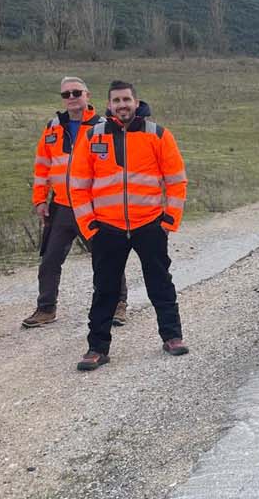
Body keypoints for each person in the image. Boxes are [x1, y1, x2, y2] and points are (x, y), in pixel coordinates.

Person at [68, 80, 188, 371]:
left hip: (149, 224)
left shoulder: (157, 134)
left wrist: (168, 221)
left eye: (126, 100)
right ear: (109, 105)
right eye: (116, 101)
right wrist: (90, 227)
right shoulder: (93, 136)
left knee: (160, 283)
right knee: (105, 290)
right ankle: (97, 348)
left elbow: (176, 180)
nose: (122, 105)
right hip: (107, 228)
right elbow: (78, 185)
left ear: (136, 102)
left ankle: (172, 337)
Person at [22, 76, 128, 329]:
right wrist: (39, 200)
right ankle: (46, 308)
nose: (71, 98)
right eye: (66, 94)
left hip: (93, 207)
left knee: (105, 257)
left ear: (87, 95)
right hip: (60, 206)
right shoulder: (53, 127)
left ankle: (117, 305)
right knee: (49, 260)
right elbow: (42, 166)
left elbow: (117, 168)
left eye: (76, 93)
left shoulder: (104, 126)